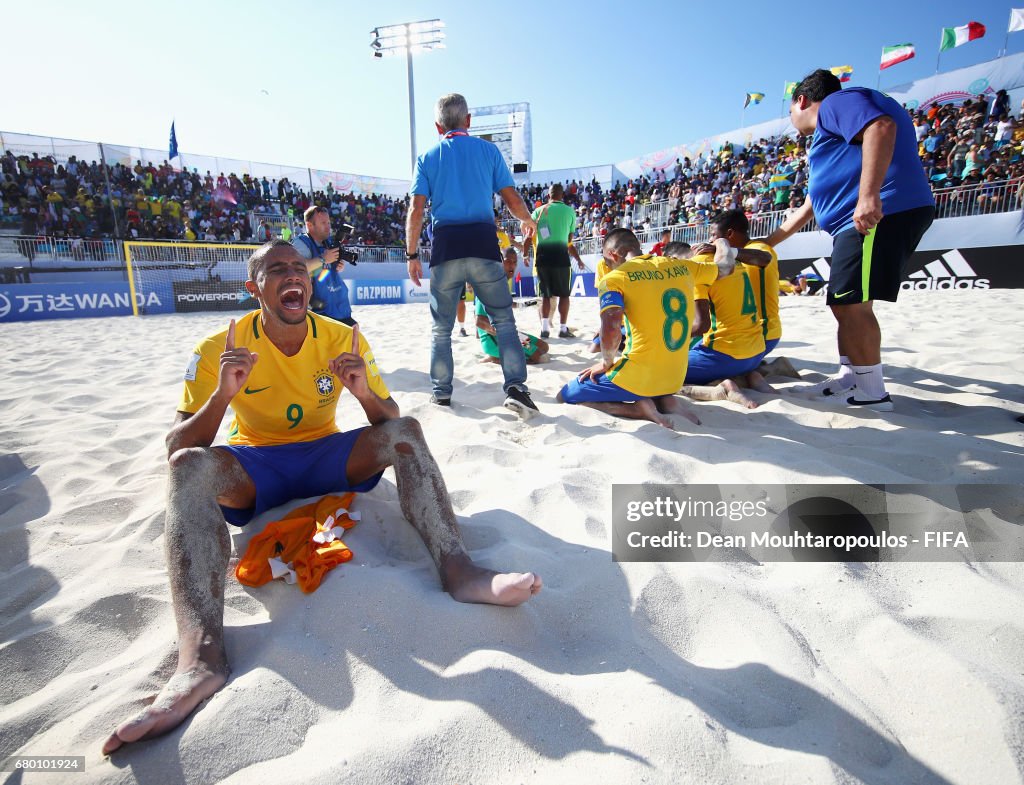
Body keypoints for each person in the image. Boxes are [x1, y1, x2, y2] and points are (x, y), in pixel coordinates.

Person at [101, 241, 541, 755]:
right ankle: (201, 657)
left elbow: (389, 418)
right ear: (254, 288)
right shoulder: (221, 345)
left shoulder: (339, 336)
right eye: (276, 269)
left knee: (407, 431)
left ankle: (459, 569)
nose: (293, 276)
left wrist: (362, 391)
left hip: (325, 457)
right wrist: (223, 393)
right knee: (187, 470)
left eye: (298, 269)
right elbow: (178, 447)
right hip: (258, 465)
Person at [767, 69, 935, 411]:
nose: (792, 120)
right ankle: (851, 376)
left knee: (850, 303)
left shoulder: (835, 104)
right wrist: (763, 245)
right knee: (843, 301)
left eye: (789, 112)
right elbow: (809, 207)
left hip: (876, 213)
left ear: (801, 100)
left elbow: (881, 127)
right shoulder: (834, 138)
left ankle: (873, 394)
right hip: (858, 219)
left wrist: (869, 196)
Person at [405, 93, 539, 416]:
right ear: (468, 121)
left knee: (441, 329)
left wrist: (411, 255)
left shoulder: (427, 157)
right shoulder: (489, 151)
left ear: (438, 126)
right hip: (482, 243)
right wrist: (527, 220)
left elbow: (416, 210)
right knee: (504, 320)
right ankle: (515, 388)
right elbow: (511, 197)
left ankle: (441, 394)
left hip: (446, 247)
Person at [556, 228, 725, 429]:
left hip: (639, 376)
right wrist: (722, 243)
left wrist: (606, 362)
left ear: (613, 254)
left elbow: (611, 326)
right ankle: (664, 399)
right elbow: (725, 268)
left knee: (565, 395)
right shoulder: (682, 266)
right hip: (676, 377)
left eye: (606, 260)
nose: (607, 265)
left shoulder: (614, 279)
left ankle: (635, 409)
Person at [680, 211, 779, 409]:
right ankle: (750, 376)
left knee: (659, 370)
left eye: (713, 236)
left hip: (728, 354)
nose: (710, 240)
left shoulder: (698, 266)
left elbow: (701, 325)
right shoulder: (741, 259)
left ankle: (720, 389)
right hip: (756, 351)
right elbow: (764, 258)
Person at [477, 248, 549, 365]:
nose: (512, 266)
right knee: (538, 356)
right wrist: (510, 335)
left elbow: (509, 304)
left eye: (515, 262)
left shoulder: (502, 283)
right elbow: (479, 321)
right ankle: (494, 358)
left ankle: (506, 354)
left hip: (508, 333)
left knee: (544, 347)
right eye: (508, 261)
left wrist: (530, 303)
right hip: (495, 338)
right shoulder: (488, 285)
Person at [531, 183, 585, 339]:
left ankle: (545, 329)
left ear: (549, 195)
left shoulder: (538, 211)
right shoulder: (570, 212)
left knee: (545, 296)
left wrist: (526, 255)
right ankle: (562, 328)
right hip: (561, 257)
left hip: (542, 258)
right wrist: (578, 259)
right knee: (564, 295)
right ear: (562, 196)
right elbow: (569, 241)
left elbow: (529, 233)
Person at [292, 205, 355, 326]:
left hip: (340, 308)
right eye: (323, 223)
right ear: (310, 225)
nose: (328, 227)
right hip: (319, 312)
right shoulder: (301, 243)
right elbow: (297, 269)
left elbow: (326, 270)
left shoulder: (328, 242)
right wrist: (323, 259)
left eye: (328, 222)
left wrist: (338, 266)